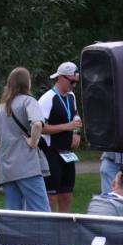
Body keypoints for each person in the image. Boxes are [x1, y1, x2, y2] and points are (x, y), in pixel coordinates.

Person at [0, 67, 50, 212]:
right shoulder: (28, 101)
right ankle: (46, 235)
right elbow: (37, 123)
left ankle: (13, 236)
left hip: (7, 167)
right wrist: (33, 141)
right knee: (41, 210)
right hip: (27, 165)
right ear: (27, 83)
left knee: (14, 213)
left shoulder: (1, 108)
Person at [38, 62, 83, 213]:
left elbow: (75, 115)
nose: (74, 85)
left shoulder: (71, 96)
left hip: (67, 153)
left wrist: (76, 133)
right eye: (72, 82)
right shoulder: (47, 99)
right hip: (51, 152)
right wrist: (67, 127)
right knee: (51, 197)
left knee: (67, 194)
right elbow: (40, 128)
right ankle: (50, 230)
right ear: (61, 78)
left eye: (76, 82)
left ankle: (65, 231)